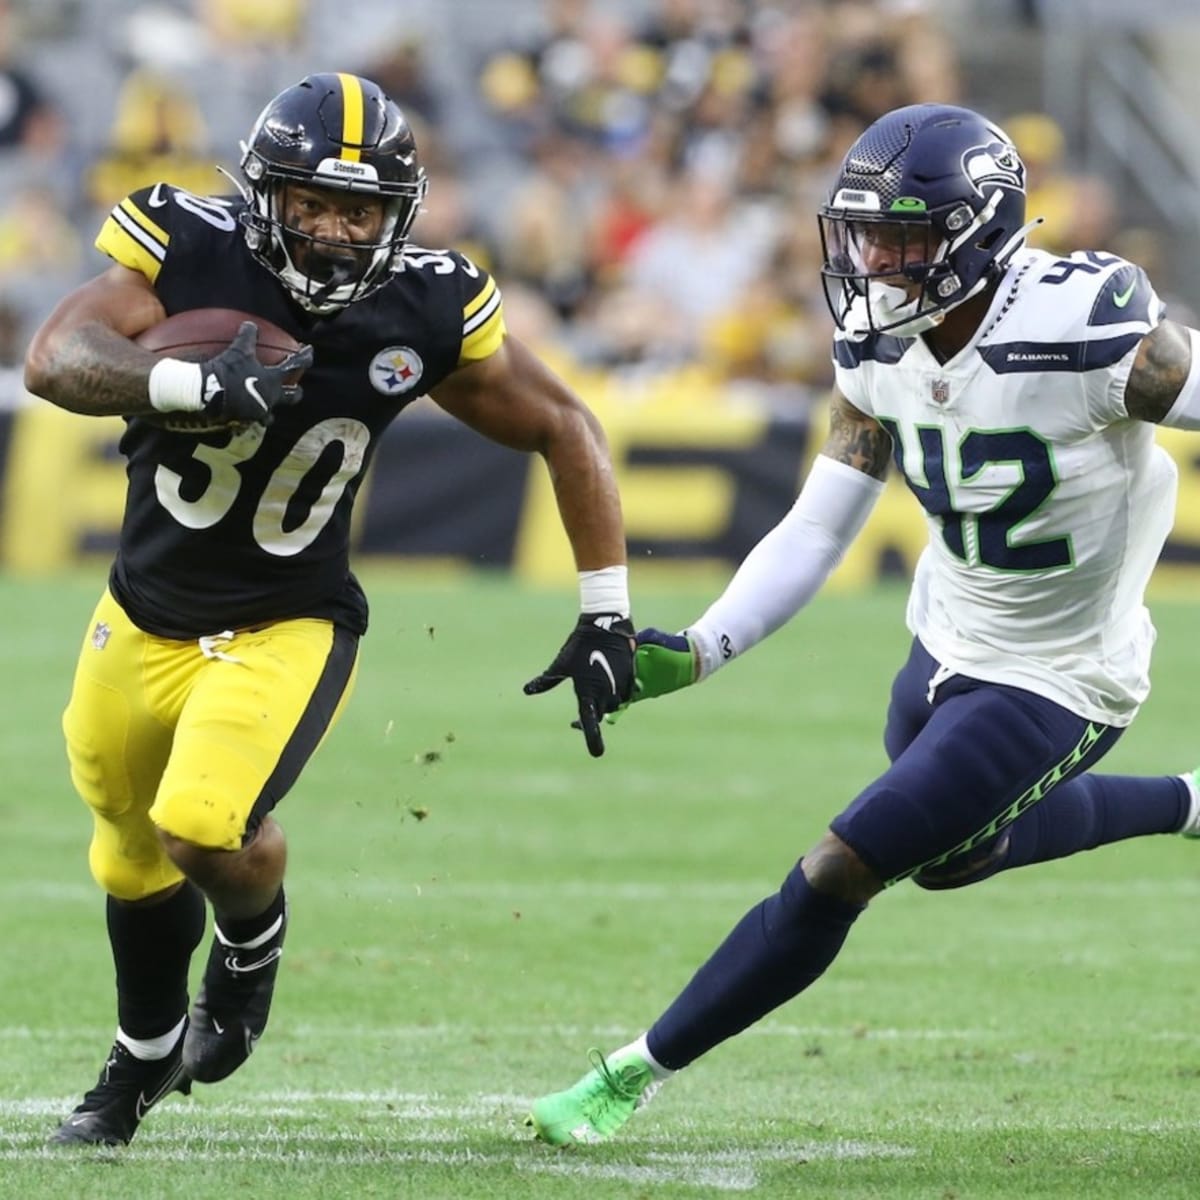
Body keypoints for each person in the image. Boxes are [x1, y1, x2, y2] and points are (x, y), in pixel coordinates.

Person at [526, 101, 1200, 1145]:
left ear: (980, 232)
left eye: (905, 237)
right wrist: (704, 648)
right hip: (944, 636)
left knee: (846, 862)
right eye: (864, 233)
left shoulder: (1088, 326)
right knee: (953, 857)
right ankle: (1190, 803)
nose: (876, 260)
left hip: (1065, 674)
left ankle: (629, 1072)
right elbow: (818, 524)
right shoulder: (876, 339)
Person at [25, 71, 636, 1148]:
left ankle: (246, 959)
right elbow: (56, 357)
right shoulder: (188, 246)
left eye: (360, 211)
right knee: (126, 857)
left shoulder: (425, 302)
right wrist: (185, 387)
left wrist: (606, 610)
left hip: (288, 620)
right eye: (313, 204)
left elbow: (565, 425)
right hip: (140, 610)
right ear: (266, 198)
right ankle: (146, 1053)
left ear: (397, 216)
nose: (336, 231)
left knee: (200, 829)